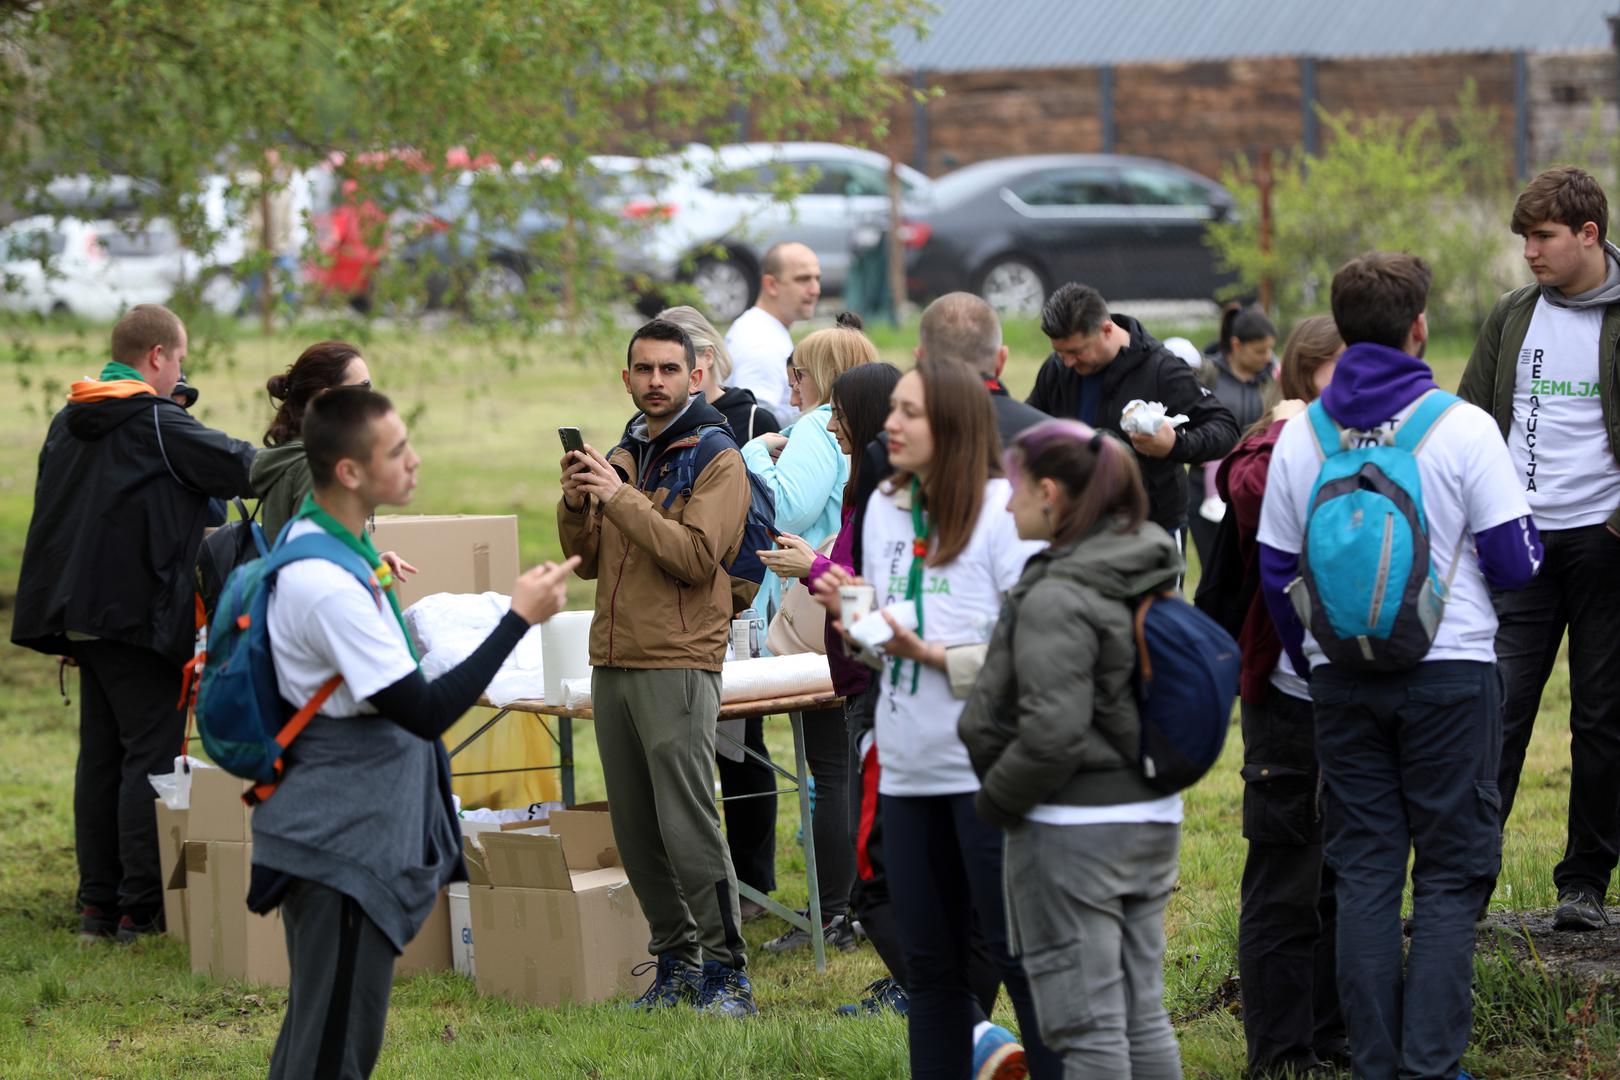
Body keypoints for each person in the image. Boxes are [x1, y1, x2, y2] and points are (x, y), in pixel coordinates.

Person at [1257, 253, 1542, 1080]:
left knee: (1368, 871)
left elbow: (1279, 567)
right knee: (1452, 875)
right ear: (1420, 327)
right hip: (1450, 673)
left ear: (1340, 333)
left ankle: (1375, 1063)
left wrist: (1317, 662)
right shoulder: (1459, 427)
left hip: (1341, 679)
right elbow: (1517, 565)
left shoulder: (1303, 433)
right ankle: (1432, 1066)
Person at [248, 388, 577, 1079]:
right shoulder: (326, 582)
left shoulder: (321, 543)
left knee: (319, 1037)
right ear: (349, 472)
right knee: (333, 1051)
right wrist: (517, 619)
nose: (414, 461)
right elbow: (424, 711)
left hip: (340, 830)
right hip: (340, 845)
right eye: (395, 452)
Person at [816, 356, 1055, 1079]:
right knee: (931, 971)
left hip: (987, 774)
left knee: (1022, 959)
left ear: (952, 424)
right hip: (907, 772)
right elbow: (883, 643)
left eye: (908, 412)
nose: (889, 424)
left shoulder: (1003, 514)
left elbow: (1037, 656)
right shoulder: (885, 503)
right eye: (892, 411)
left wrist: (933, 652)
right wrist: (852, 609)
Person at [12, 304, 257, 942]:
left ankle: (97, 905)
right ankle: (137, 910)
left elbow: (57, 520)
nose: (180, 372)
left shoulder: (71, 421)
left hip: (81, 618)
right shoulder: (156, 421)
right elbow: (244, 467)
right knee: (147, 761)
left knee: (101, 759)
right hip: (139, 620)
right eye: (179, 360)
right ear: (158, 358)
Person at [958, 418, 1184, 1080]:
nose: (1005, 501)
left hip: (1077, 831)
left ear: (1051, 494)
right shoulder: (1138, 560)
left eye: (1015, 486)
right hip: (1148, 815)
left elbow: (1053, 732)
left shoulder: (1059, 594)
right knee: (1142, 1017)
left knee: (1087, 1032)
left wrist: (994, 803)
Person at [557, 319, 756, 1016]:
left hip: (677, 657)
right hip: (612, 654)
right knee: (637, 830)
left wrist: (619, 496)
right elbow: (585, 562)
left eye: (669, 370)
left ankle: (729, 975)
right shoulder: (625, 450)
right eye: (643, 370)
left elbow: (696, 558)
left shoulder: (718, 457)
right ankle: (675, 966)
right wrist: (579, 501)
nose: (655, 383)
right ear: (627, 376)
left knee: (688, 824)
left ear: (696, 375)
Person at [1458, 165, 1620, 933]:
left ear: (1589, 234)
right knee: (1498, 711)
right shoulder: (1512, 315)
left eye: (1544, 237)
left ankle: (1583, 885)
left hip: (1606, 545)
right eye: (1524, 238)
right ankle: (1467, 884)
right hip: (1520, 547)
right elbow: (1469, 422)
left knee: (1601, 718)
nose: (1530, 252)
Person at [1216, 315, 1348, 1077]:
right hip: (1288, 692)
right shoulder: (1271, 445)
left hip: (1364, 691)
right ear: (1305, 375)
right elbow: (1252, 495)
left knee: (1345, 878)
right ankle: (1279, 1055)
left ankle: (1334, 1039)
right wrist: (1302, 430)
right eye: (1341, 372)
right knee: (1285, 880)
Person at [747, 320, 877, 953]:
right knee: (845, 768)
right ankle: (855, 908)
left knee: (830, 770)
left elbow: (783, 509)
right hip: (849, 627)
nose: (789, 387)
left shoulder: (811, 430)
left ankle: (836, 914)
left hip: (828, 621)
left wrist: (749, 453)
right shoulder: (876, 449)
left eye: (794, 373)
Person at [657, 304, 781, 917]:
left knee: (741, 743)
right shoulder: (651, 426)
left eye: (674, 363)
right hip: (673, 606)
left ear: (702, 362)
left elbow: (758, 520)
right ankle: (706, 884)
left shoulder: (750, 418)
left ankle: (754, 885)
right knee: (690, 747)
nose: (660, 379)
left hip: (738, 604)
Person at [1026, 283, 1239, 545]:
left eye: (1076, 352)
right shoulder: (1057, 370)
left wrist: (1174, 445)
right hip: (1076, 528)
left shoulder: (1161, 369)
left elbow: (1225, 428)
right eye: (1060, 352)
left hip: (1150, 531)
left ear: (1106, 329)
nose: (1067, 362)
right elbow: (1031, 428)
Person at [253, 341, 375, 542]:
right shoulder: (315, 468)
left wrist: (373, 559)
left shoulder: (304, 456)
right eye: (363, 389)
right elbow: (316, 554)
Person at [1189, 305, 1278, 569]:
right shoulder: (1207, 376)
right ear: (1236, 345)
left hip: (1255, 487)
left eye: (1270, 349)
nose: (1267, 356)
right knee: (1215, 571)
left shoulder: (1272, 380)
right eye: (1260, 350)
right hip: (1206, 492)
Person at [724, 241, 822, 425]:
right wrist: (816, 412)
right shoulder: (761, 342)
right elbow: (754, 420)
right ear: (771, 285)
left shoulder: (762, 328)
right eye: (803, 279)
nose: (815, 290)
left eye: (817, 279)